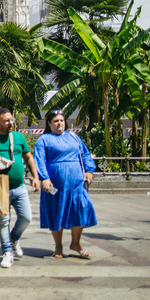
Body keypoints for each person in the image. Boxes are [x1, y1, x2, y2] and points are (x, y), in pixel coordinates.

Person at [0, 108, 40, 268]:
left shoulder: (18, 137)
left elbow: (28, 157)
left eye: (11, 120)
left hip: (19, 186)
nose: (10, 123)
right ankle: (7, 252)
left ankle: (13, 239)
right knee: (3, 221)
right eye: (6, 121)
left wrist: (36, 177)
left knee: (26, 217)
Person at [34, 109, 97, 259]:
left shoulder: (74, 137)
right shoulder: (43, 140)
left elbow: (85, 154)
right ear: (49, 124)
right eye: (55, 121)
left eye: (61, 120)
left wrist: (89, 171)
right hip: (55, 186)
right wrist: (44, 178)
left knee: (81, 208)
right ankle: (58, 246)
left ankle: (75, 244)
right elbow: (40, 160)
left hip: (76, 185)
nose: (59, 123)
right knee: (57, 212)